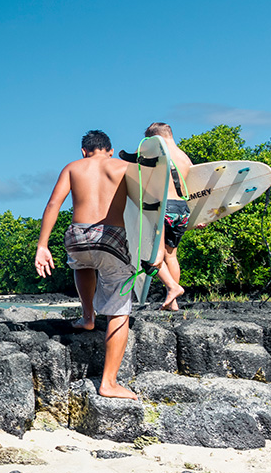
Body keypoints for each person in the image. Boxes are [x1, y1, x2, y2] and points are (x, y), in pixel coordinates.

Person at [34, 130, 138, 400]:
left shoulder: (73, 167)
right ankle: (109, 383)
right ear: (110, 150)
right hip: (111, 236)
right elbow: (148, 206)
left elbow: (53, 204)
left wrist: (42, 245)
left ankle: (88, 316)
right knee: (118, 308)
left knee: (83, 263)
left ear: (84, 151)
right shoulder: (124, 167)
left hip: (78, 236)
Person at [141, 122, 192, 311]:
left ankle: (172, 287)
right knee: (171, 256)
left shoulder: (156, 154)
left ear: (155, 138)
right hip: (182, 209)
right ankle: (173, 302)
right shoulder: (185, 158)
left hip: (164, 208)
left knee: (151, 255)